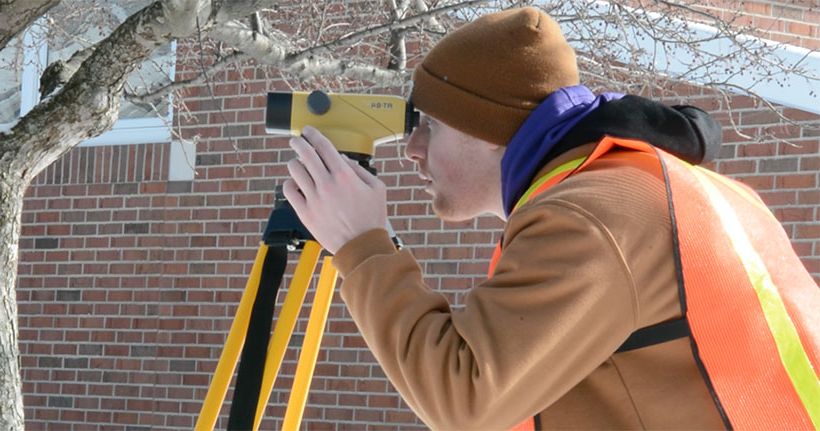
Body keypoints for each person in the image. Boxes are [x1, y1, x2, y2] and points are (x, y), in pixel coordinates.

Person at [282, 6, 820, 430]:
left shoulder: (592, 218)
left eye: (432, 126)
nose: (412, 148)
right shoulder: (644, 189)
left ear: (489, 129)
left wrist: (363, 245)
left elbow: (467, 397)